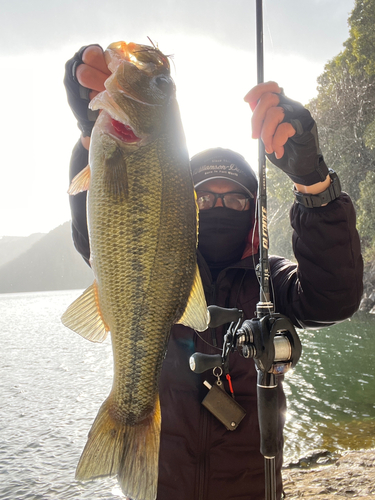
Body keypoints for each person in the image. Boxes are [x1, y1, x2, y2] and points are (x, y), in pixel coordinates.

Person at [64, 44, 363, 500]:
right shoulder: (157, 265)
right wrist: (91, 141)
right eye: (206, 198)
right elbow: (104, 239)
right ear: (184, 208)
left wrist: (314, 187)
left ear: (254, 213)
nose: (222, 206)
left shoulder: (270, 281)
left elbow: (334, 295)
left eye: (237, 199)